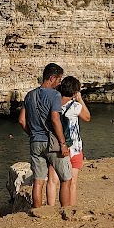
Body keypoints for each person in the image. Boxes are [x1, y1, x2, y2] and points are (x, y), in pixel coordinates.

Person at [18, 63, 72, 207]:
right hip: (52, 143)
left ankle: (37, 212)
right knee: (66, 179)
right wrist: (63, 143)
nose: (60, 83)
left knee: (38, 181)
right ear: (52, 78)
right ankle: (65, 211)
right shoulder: (55, 95)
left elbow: (22, 120)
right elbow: (55, 119)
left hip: (35, 142)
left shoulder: (30, 95)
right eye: (59, 79)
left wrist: (33, 135)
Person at [46, 76, 91, 206]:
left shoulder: (53, 104)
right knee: (72, 182)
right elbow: (87, 117)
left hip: (57, 146)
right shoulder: (75, 106)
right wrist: (80, 99)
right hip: (74, 147)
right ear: (74, 91)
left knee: (52, 181)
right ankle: (70, 209)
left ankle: (50, 208)